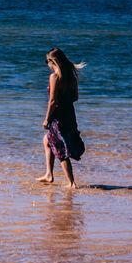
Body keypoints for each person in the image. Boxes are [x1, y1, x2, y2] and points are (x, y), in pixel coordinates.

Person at [37, 47, 86, 189]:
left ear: (53, 62)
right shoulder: (71, 76)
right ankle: (49, 174)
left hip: (58, 116)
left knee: (60, 148)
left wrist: (47, 119)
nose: (48, 66)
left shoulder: (54, 77)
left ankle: (71, 183)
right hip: (69, 113)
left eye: (48, 62)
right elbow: (75, 97)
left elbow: (52, 101)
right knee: (47, 140)